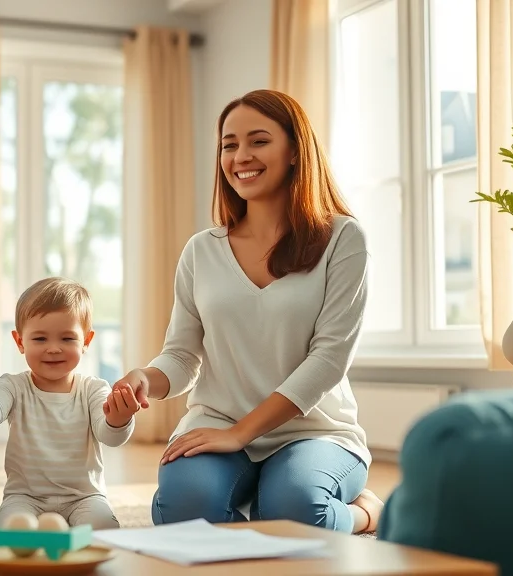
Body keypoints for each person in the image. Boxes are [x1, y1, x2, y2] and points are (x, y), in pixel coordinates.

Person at [115, 89, 383, 534]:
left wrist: (241, 433)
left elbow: (329, 360)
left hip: (313, 430)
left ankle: (367, 512)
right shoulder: (202, 250)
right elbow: (182, 357)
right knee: (185, 507)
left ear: (295, 151)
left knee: (295, 509)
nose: (241, 156)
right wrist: (146, 379)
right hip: (216, 421)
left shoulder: (343, 239)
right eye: (229, 144)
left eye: (258, 141)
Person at [0, 277, 139, 531]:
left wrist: (120, 418)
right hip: (25, 497)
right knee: (4, 535)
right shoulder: (13, 385)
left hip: (85, 497)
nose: (53, 349)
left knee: (104, 532)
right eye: (40, 339)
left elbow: (110, 436)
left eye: (67, 339)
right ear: (19, 342)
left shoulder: (94, 389)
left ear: (86, 341)